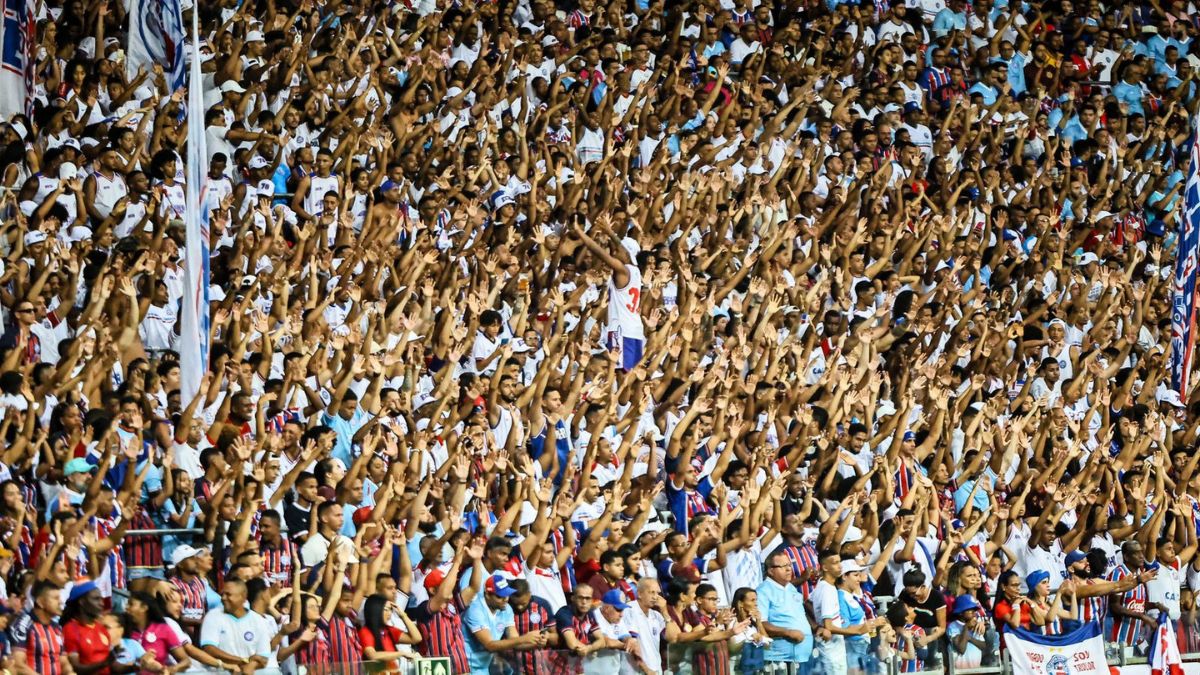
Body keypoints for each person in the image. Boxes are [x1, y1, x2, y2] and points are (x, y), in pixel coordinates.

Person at [756, 551, 813, 671]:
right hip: (780, 660)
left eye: (789, 565)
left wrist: (816, 627)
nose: (788, 569)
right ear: (771, 571)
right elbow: (761, 623)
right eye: (783, 566)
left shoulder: (791, 588)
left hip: (802, 656)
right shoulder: (763, 591)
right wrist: (787, 632)